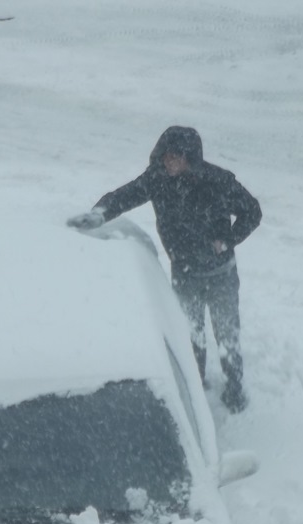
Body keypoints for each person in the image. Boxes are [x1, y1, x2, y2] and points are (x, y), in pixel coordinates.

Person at [68, 126, 262, 413]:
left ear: (191, 159)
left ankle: (235, 390)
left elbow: (252, 211)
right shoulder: (157, 180)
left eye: (176, 158)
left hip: (220, 273)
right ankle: (195, 389)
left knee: (226, 334)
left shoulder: (217, 181)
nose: (169, 163)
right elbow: (125, 195)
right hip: (184, 273)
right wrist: (99, 213)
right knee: (189, 334)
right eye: (166, 157)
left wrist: (229, 240)